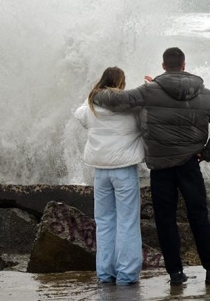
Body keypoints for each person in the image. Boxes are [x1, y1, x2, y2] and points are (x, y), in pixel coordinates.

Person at [93, 47, 210, 286]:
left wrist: (96, 93)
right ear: (184, 65)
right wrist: (207, 152)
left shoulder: (149, 91)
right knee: (199, 216)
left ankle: (175, 274)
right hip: (190, 165)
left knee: (165, 221)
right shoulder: (206, 94)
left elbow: (116, 101)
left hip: (160, 168)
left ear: (164, 66)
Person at [74, 66, 145, 286]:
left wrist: (94, 94)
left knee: (104, 222)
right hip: (124, 170)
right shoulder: (131, 110)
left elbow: (79, 113)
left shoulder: (91, 107)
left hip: (101, 171)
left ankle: (105, 273)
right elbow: (145, 121)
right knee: (127, 221)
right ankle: (127, 274)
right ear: (121, 85)